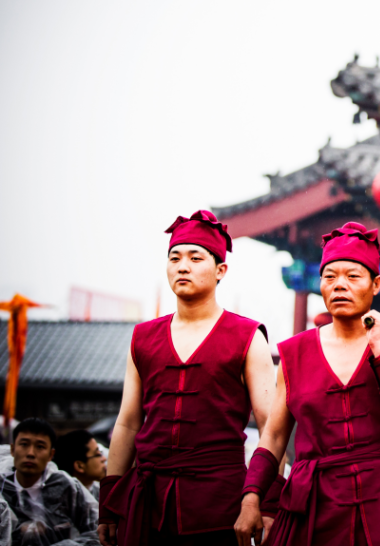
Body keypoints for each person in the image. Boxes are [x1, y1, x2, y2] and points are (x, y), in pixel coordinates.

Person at [237, 222, 380, 546]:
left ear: (375, 284)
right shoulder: (293, 352)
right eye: (330, 277)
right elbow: (274, 435)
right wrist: (252, 496)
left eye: (353, 277)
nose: (340, 285)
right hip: (315, 504)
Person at [97, 211, 276, 546]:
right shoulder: (142, 337)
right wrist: (109, 502)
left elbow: (271, 427)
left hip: (221, 502)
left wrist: (264, 500)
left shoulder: (247, 336)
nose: (183, 266)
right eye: (175, 258)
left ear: (221, 270)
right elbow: (127, 423)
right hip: (146, 501)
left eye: (196, 258)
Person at [1, 418, 98, 545]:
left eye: (40, 447)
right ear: (12, 450)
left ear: (51, 455)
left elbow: (98, 531)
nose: (31, 453)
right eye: (24, 444)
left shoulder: (65, 486)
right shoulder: (3, 487)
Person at [54, 430, 106, 524]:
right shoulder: (58, 501)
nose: (104, 459)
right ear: (79, 466)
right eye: (97, 454)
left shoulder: (101, 492)